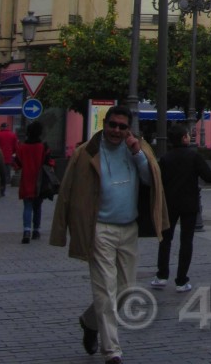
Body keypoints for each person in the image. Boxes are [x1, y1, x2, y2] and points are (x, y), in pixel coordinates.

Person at [50, 104, 167, 364]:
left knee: (126, 290)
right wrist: (61, 231)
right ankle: (112, 350)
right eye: (112, 125)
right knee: (105, 290)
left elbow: (151, 181)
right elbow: (67, 192)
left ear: (129, 129)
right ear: (105, 124)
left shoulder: (138, 148)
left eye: (122, 127)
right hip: (99, 229)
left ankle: (90, 322)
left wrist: (138, 154)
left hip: (129, 228)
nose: (116, 130)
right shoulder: (85, 153)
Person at [152, 123, 211, 292]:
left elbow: (158, 182)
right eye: (187, 135)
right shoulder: (193, 157)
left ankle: (162, 276)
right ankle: (181, 280)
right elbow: (209, 176)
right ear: (183, 138)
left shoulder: (165, 158)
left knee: (165, 241)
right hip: (189, 205)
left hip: (169, 204)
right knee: (186, 242)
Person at [13, 120, 54, 243]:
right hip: (40, 181)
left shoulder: (22, 147)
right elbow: (49, 163)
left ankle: (26, 231)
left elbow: (17, 164)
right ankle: (36, 230)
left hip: (26, 179)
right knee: (38, 206)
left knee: (27, 206)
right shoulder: (43, 147)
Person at [0, 122, 19, 191]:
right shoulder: (13, 135)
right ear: (7, 127)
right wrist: (14, 153)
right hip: (8, 156)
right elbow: (16, 146)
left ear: (1, 127)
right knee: (7, 170)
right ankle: (6, 182)